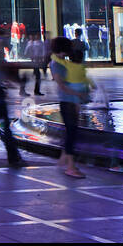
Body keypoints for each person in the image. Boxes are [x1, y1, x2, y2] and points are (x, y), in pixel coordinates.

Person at [50, 37, 87, 178]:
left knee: (71, 131)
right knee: (71, 133)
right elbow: (62, 85)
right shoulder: (56, 64)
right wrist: (78, 93)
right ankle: (71, 167)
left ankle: (64, 158)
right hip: (67, 101)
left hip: (71, 101)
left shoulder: (61, 62)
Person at [28, 31, 49, 96]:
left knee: (38, 75)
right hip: (36, 60)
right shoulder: (33, 43)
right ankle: (36, 91)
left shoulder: (38, 43)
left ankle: (36, 90)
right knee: (38, 76)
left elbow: (43, 51)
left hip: (37, 60)